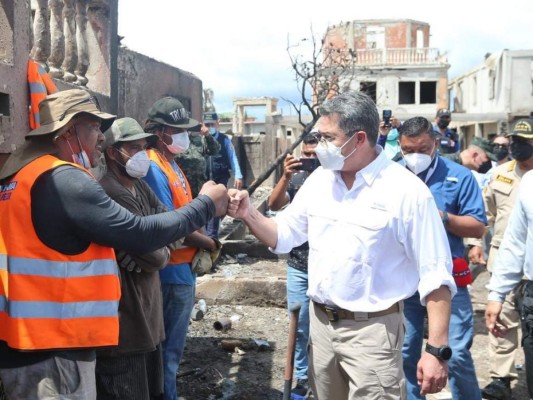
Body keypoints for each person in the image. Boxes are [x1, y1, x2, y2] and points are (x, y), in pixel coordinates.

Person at [0, 89, 228, 400]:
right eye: (94, 127)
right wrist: (205, 204)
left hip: (30, 343)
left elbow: (152, 232)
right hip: (54, 350)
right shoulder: (63, 179)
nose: (101, 136)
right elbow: (141, 234)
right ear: (69, 131)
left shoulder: (21, 178)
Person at [227, 91, 456, 400]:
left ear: (359, 138)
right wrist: (248, 214)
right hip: (321, 328)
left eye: (327, 137)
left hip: (372, 333)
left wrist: (436, 351)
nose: (319, 145)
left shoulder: (407, 192)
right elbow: (283, 235)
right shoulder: (320, 181)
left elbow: (436, 275)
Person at [398, 117, 486, 400]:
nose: (415, 156)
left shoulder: (460, 176)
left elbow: (477, 225)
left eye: (422, 149)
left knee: (456, 354)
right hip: (405, 281)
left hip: (449, 282)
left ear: (436, 142)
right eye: (407, 150)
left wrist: (442, 218)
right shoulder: (392, 176)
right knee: (406, 351)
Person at [143, 96, 221, 400]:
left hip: (181, 271)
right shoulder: (153, 166)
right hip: (169, 273)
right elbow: (171, 223)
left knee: (171, 353)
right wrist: (211, 243)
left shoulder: (172, 165)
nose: (184, 136)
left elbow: (186, 212)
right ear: (161, 132)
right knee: (167, 355)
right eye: (177, 130)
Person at [95, 117, 169, 400]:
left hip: (149, 322)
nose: (142, 155)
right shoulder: (110, 192)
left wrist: (154, 242)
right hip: (126, 330)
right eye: (134, 148)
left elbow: (172, 226)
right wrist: (155, 244)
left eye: (144, 148)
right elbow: (156, 259)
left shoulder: (139, 186)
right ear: (113, 152)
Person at [472, 119, 533, 400]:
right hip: (503, 254)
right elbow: (484, 213)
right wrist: (475, 242)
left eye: (524, 141)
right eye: (514, 141)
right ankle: (501, 378)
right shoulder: (500, 175)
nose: (516, 146)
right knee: (502, 319)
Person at [267, 133, 319, 399]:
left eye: (315, 154)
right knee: (299, 325)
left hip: (326, 267)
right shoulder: (297, 180)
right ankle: (301, 375)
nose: (310, 159)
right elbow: (273, 204)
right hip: (299, 265)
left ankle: (320, 376)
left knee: (325, 327)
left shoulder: (337, 181)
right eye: (306, 154)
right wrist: (285, 176)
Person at [486, 158, 533, 399]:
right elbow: (515, 241)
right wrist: (496, 294)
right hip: (526, 284)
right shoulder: (528, 183)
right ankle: (501, 377)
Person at [204, 111, 243, 239]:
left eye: (212, 124)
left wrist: (238, 175)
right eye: (207, 124)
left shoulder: (224, 139)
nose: (210, 126)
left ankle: (212, 236)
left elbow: (233, 157)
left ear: (218, 123)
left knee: (215, 206)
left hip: (220, 178)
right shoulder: (201, 140)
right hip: (204, 180)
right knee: (203, 206)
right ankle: (206, 235)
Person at [175, 123, 221, 198]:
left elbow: (215, 150)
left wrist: (207, 135)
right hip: (183, 186)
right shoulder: (176, 142)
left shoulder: (199, 140)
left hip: (200, 185)